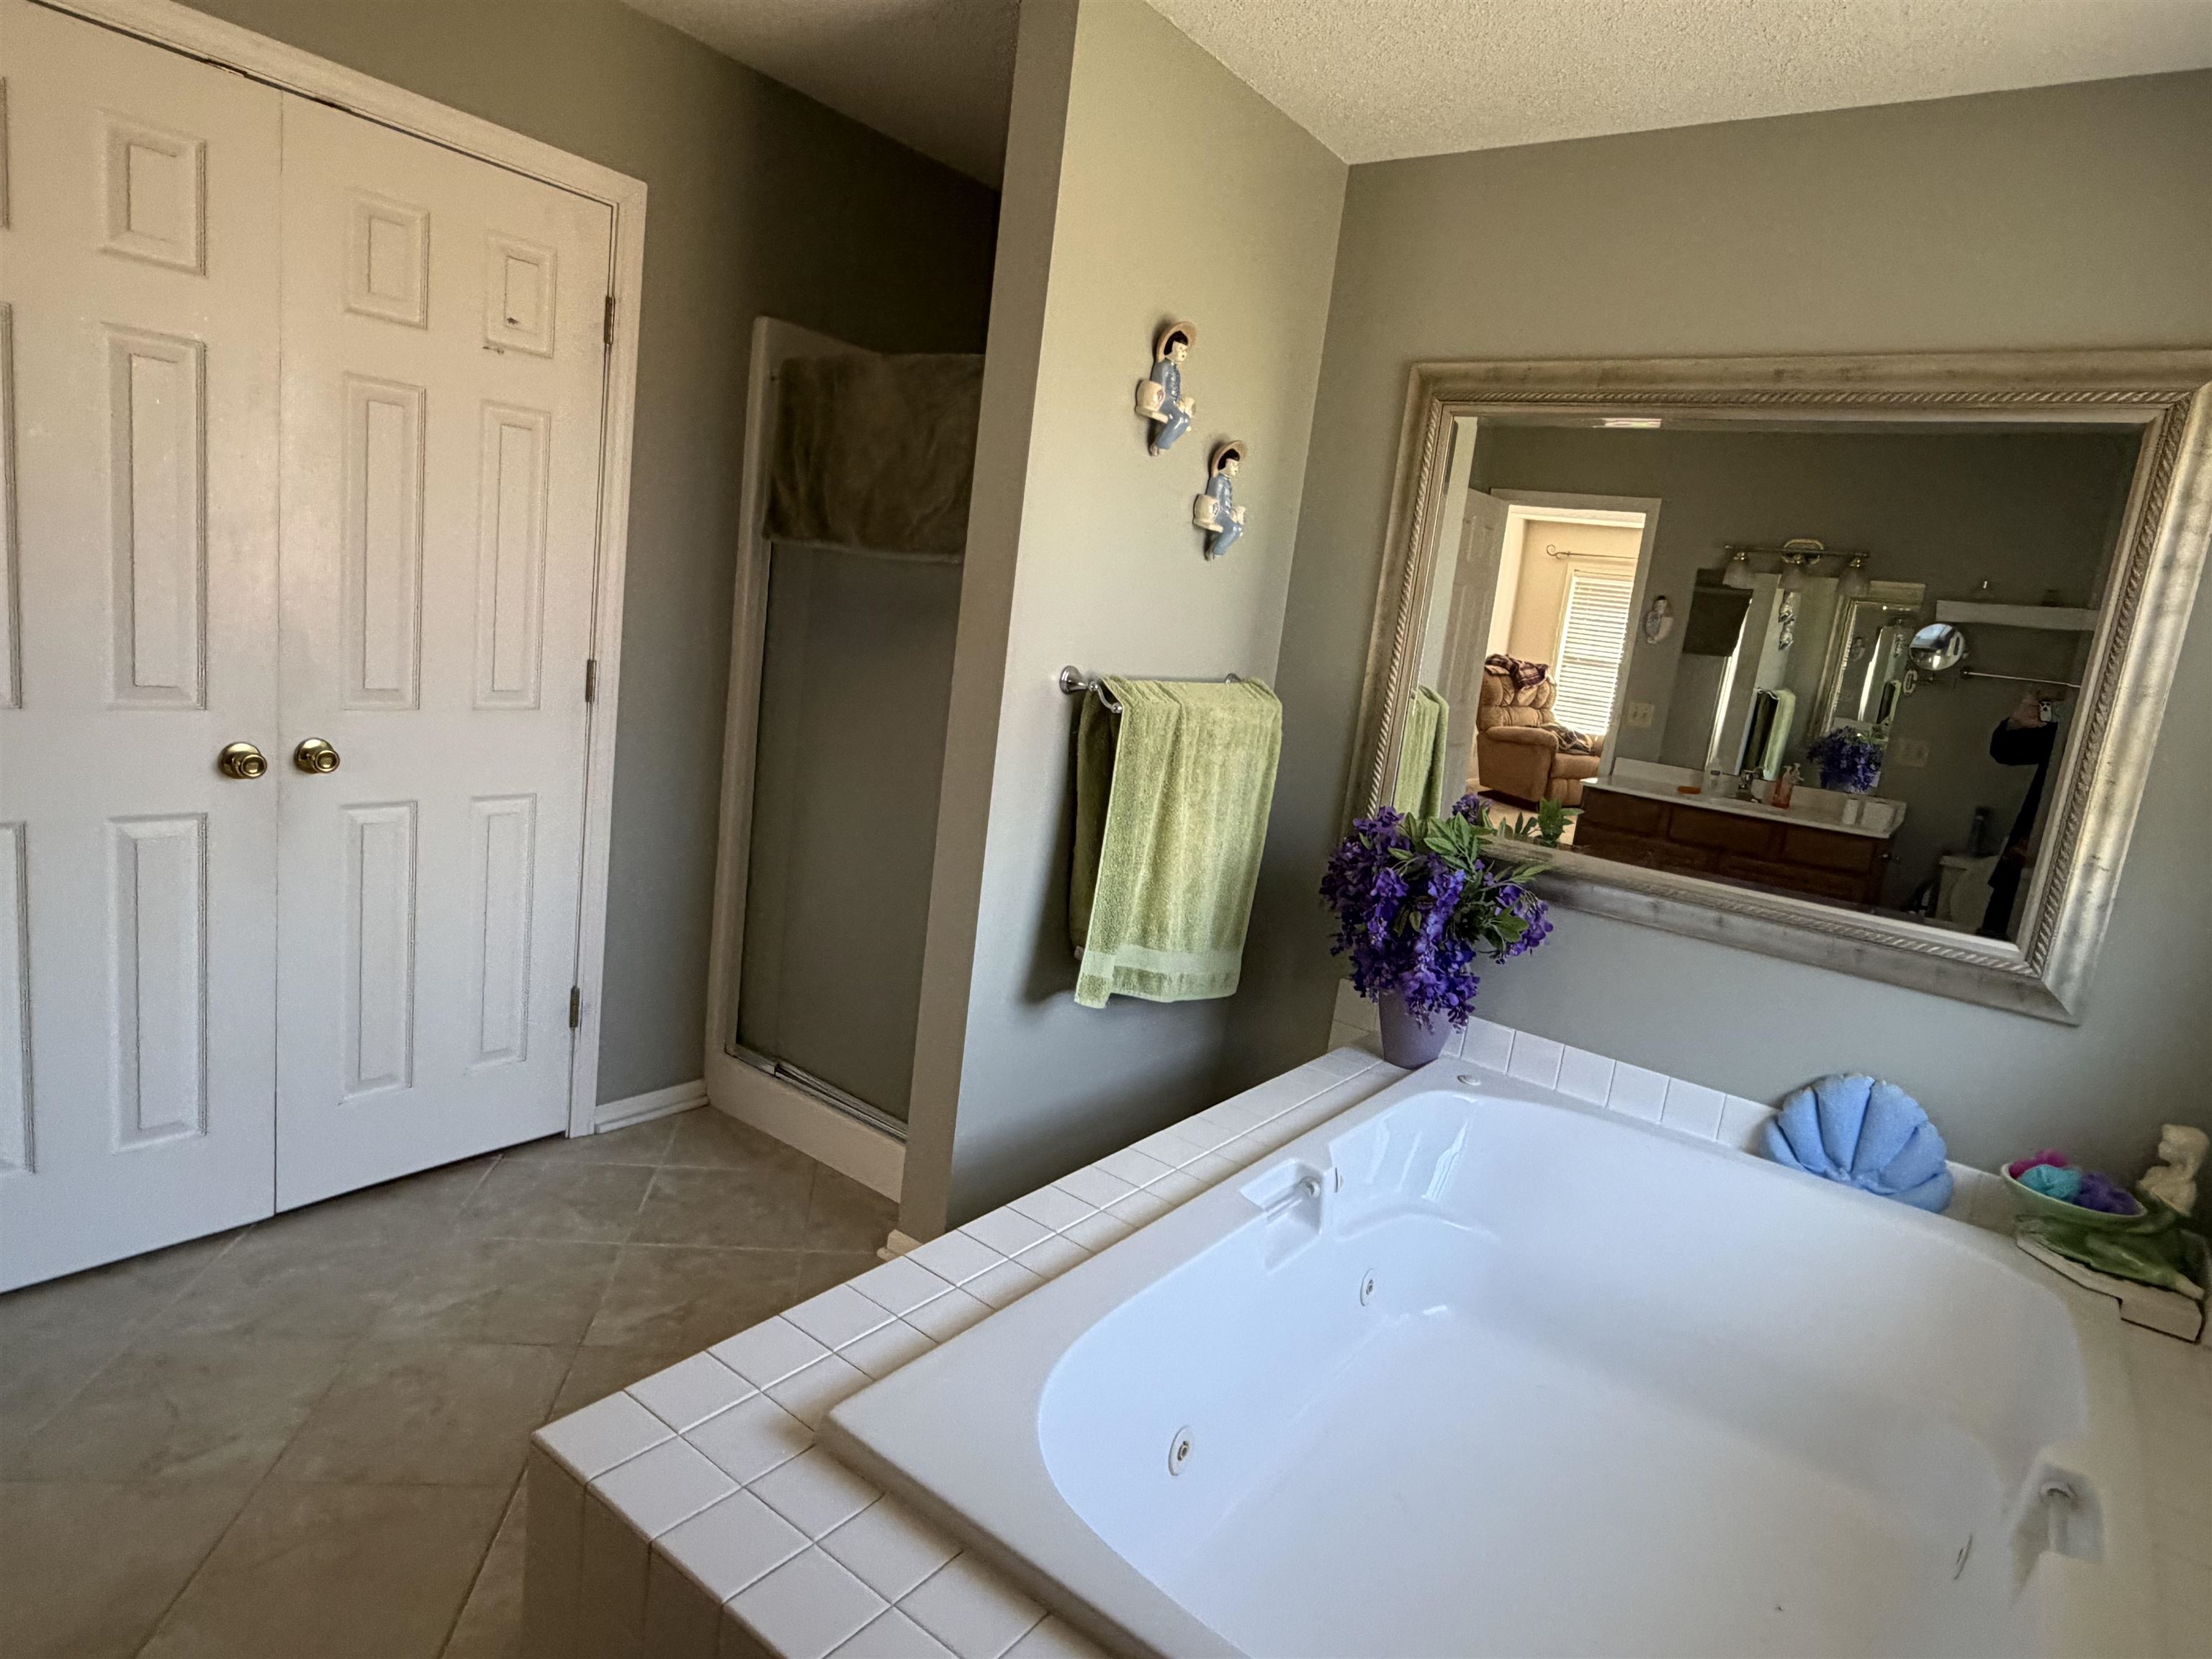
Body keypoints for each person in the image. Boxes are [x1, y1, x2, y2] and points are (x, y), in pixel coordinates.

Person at [1978, 691, 2059, 939]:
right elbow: (2005, 751)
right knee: (1996, 931)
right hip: (2025, 851)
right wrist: (2015, 724)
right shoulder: (2067, 731)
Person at [1136, 322, 1195, 453]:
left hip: (1173, 403)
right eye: (1180, 349)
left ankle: (1164, 441)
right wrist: (1173, 404)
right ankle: (1161, 444)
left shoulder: (1176, 370)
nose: (1184, 353)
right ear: (1170, 348)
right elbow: (1160, 389)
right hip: (1163, 402)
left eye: (1185, 350)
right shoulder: (1163, 366)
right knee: (1180, 418)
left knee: (1185, 418)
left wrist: (1181, 403)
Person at [1194, 442, 1247, 557]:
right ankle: (1217, 551)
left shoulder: (1227, 482)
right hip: (1217, 514)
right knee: (1233, 529)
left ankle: (1218, 546)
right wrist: (1229, 514)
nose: (1236, 469)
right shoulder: (1218, 481)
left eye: (1237, 466)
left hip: (1225, 514)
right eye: (1233, 465)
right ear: (1223, 463)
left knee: (1239, 530)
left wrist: (1234, 512)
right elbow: (1216, 502)